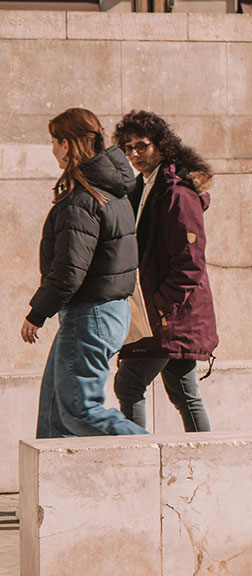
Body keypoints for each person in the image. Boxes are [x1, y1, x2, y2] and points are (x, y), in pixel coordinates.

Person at [20, 108, 147, 438]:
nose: (52, 150)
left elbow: (69, 271)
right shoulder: (112, 191)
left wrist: (37, 313)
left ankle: (157, 453)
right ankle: (54, 478)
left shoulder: (82, 198)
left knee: (80, 412)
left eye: (54, 142)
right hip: (105, 312)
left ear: (66, 144)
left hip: (91, 314)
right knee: (54, 417)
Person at [112, 111, 218, 432]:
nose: (134, 154)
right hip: (164, 315)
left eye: (141, 146)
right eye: (128, 148)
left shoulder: (176, 193)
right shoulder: (145, 187)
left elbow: (190, 263)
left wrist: (160, 305)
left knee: (129, 385)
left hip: (169, 316)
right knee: (184, 394)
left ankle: (136, 457)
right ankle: (204, 457)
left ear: (161, 145)